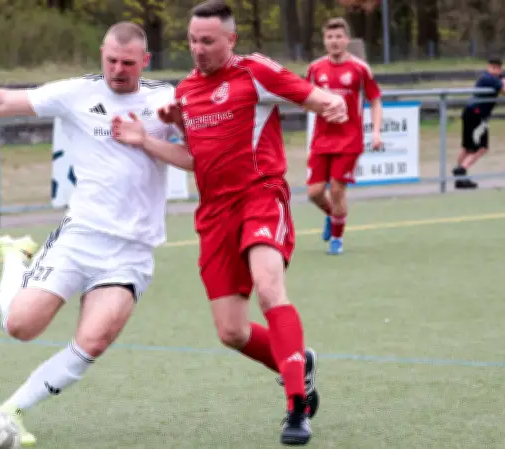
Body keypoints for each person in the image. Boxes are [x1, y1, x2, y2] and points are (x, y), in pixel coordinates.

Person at [0, 22, 179, 447]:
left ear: (146, 61)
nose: (118, 70)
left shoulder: (167, 100)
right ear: (101, 55)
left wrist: (149, 140)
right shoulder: (76, 93)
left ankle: (11, 410)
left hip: (131, 252)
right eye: (111, 60)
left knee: (93, 341)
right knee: (21, 327)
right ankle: (14, 256)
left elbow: (198, 157)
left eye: (128, 63)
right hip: (80, 237)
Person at [110, 1, 348, 445]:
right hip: (215, 212)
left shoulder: (254, 71)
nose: (198, 49)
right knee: (232, 332)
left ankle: (296, 407)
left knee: (269, 287)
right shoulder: (185, 93)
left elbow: (309, 94)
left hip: (261, 195)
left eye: (208, 41)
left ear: (230, 40)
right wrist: (144, 141)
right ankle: (298, 362)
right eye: (192, 41)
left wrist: (330, 102)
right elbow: (193, 158)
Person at [305, 17, 383, 255]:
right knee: (314, 193)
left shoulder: (359, 68)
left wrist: (376, 132)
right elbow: (304, 99)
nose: (334, 41)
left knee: (337, 191)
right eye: (330, 37)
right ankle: (334, 216)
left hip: (349, 139)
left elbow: (375, 100)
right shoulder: (315, 69)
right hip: (321, 139)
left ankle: (336, 240)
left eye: (339, 36)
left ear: (347, 40)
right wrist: (318, 107)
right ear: (324, 40)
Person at [453, 57, 505, 189]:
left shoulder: (494, 77)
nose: (499, 71)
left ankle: (459, 179)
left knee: (467, 147)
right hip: (477, 115)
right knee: (482, 148)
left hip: (470, 112)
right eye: (495, 68)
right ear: (491, 67)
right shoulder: (489, 79)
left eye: (499, 68)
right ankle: (461, 170)